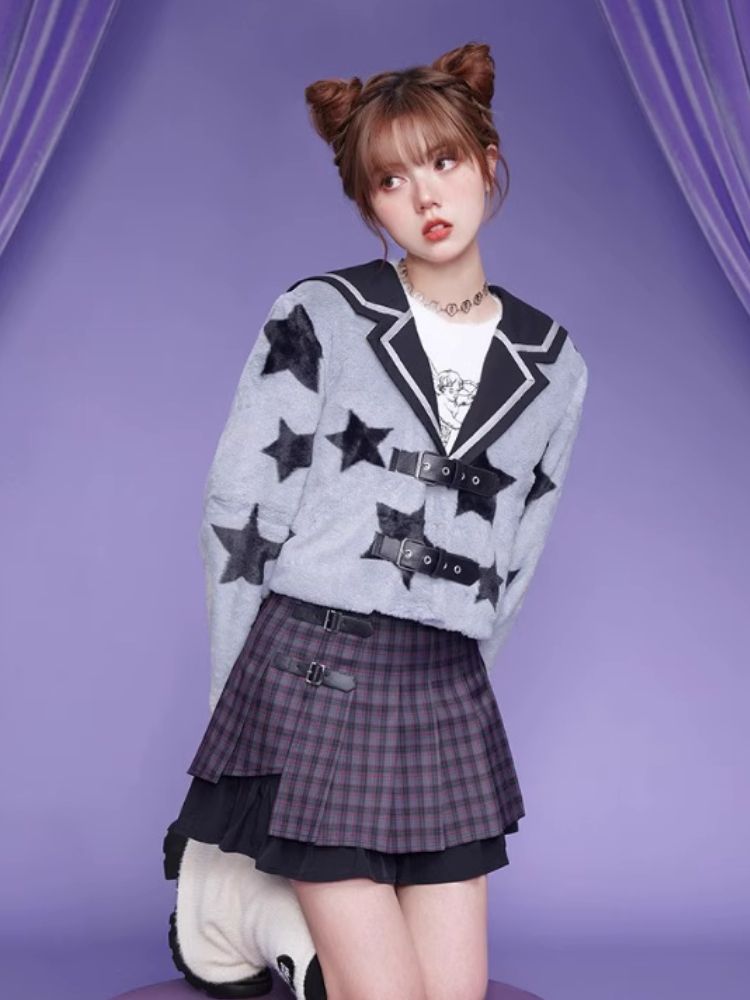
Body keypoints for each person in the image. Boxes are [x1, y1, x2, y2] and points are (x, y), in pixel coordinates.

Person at [165, 40, 589, 1000]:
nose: (424, 195)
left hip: (444, 685)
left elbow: (518, 553)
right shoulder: (324, 312)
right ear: (369, 204)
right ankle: (240, 902)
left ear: (487, 160)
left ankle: (262, 911)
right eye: (390, 180)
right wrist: (239, 702)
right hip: (311, 668)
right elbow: (239, 508)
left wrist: (463, 671)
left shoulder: (555, 363)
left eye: (443, 160)